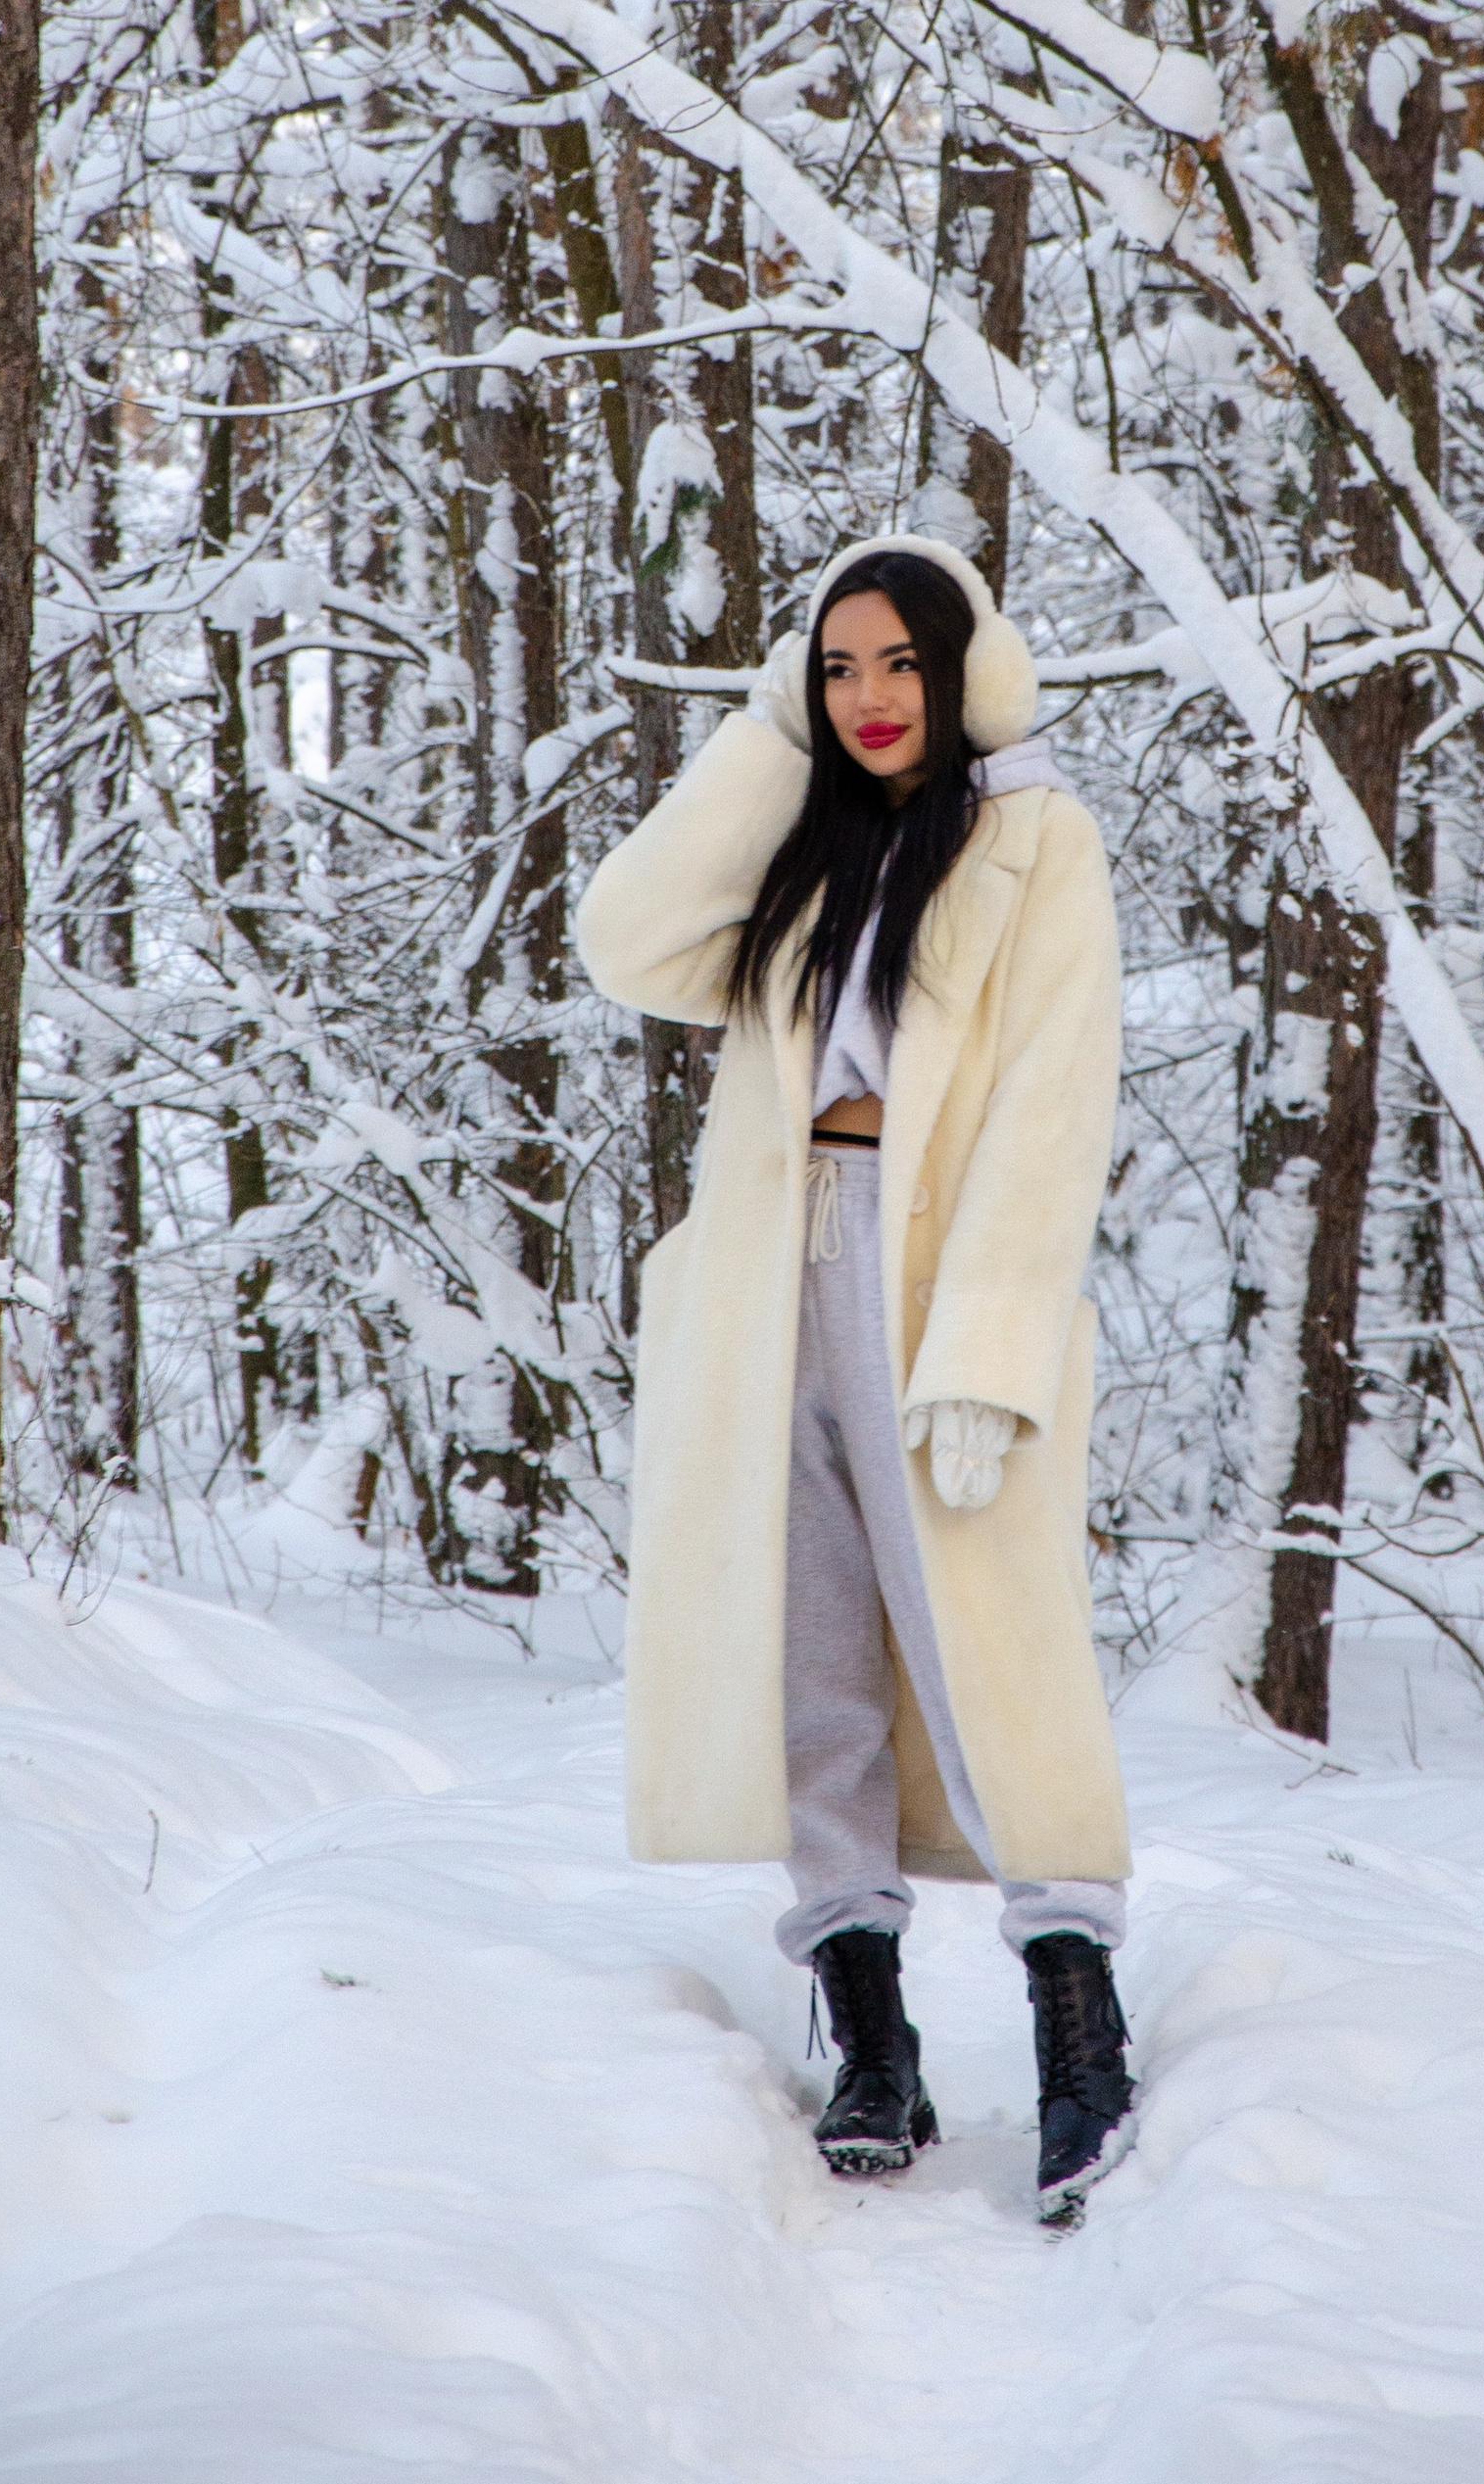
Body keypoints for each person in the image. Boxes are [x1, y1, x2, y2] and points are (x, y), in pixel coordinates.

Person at [575, 532, 1136, 2227]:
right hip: (779, 1270)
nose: (871, 697)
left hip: (945, 1268)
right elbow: (626, 934)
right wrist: (764, 736)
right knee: (812, 1642)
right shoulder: (804, 853)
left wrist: (989, 1348)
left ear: (963, 666)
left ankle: (1076, 2024)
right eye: (837, 666)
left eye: (899, 663)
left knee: (989, 1652)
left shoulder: (1041, 841)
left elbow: (1055, 1107)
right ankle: (870, 2029)